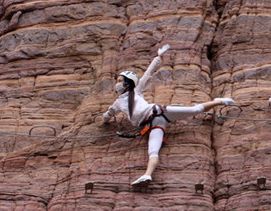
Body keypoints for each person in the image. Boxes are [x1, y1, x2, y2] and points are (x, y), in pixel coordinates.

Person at [101, 44, 235, 185]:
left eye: (120, 81)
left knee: (193, 110)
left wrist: (158, 57)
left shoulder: (137, 90)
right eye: (118, 81)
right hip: (154, 125)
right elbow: (108, 115)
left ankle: (219, 101)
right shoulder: (117, 103)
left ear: (128, 83)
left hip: (158, 111)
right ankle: (147, 175)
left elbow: (148, 73)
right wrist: (104, 119)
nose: (117, 84)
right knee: (153, 151)